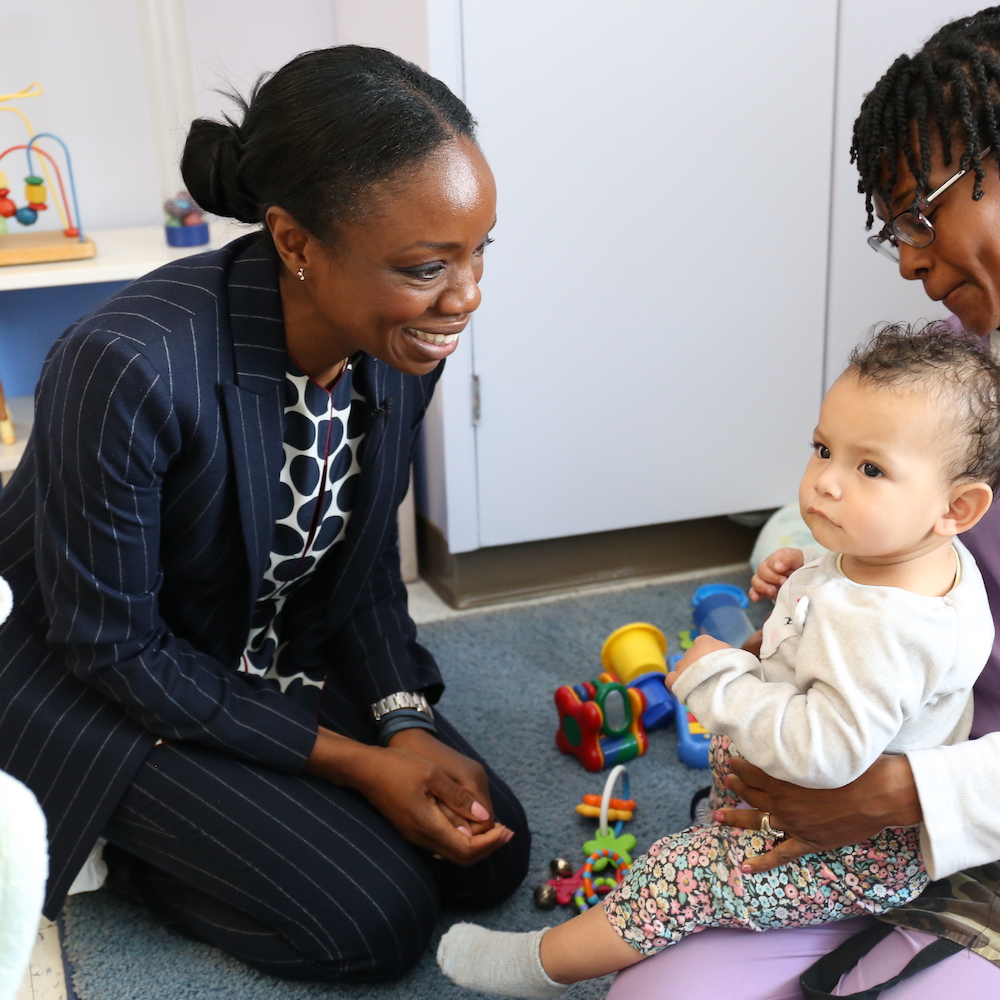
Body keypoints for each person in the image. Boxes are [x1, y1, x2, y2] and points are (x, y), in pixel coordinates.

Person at [0, 45, 530, 983]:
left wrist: (403, 723)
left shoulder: (400, 338)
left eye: (478, 249)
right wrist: (358, 767)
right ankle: (126, 850)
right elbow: (112, 647)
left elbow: (363, 567)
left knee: (493, 856)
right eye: (426, 266)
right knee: (374, 923)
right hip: (93, 675)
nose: (466, 296)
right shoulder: (126, 365)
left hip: (251, 638)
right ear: (294, 243)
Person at [607, 9, 1000, 998]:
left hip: (950, 820)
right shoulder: (963, 381)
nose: (908, 259)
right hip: (893, 809)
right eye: (892, 228)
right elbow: (874, 535)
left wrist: (902, 794)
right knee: (648, 992)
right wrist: (803, 580)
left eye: (923, 211)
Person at [437, 326, 998, 998]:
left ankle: (538, 967)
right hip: (860, 826)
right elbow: (865, 628)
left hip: (845, 849)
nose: (825, 482)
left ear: (958, 508)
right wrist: (813, 579)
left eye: (869, 469)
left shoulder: (888, 629)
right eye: (823, 449)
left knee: (677, 876)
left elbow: (825, 752)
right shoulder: (922, 560)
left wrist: (716, 677)